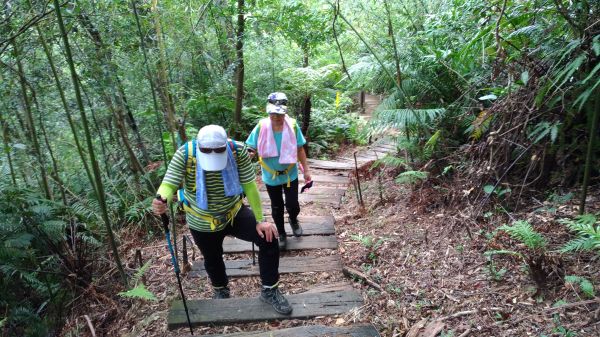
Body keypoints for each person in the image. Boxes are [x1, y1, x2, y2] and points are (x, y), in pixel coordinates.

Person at [152, 124, 292, 315]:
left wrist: (261, 219)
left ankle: (270, 290)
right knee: (212, 258)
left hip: (233, 212)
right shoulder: (185, 154)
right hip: (201, 219)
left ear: (225, 145)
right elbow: (169, 184)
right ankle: (221, 290)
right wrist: (162, 199)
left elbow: (249, 186)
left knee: (268, 237)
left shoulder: (237, 151)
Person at [246, 92, 312, 250]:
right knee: (277, 206)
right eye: (273, 113)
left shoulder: (293, 126)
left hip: (290, 174)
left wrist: (307, 170)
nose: (276, 116)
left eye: (279, 113)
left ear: (285, 112)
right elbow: (250, 148)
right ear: (268, 111)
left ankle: (293, 219)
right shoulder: (261, 127)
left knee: (293, 204)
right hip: (270, 175)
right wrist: (248, 155)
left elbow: (300, 149)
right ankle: (281, 233)